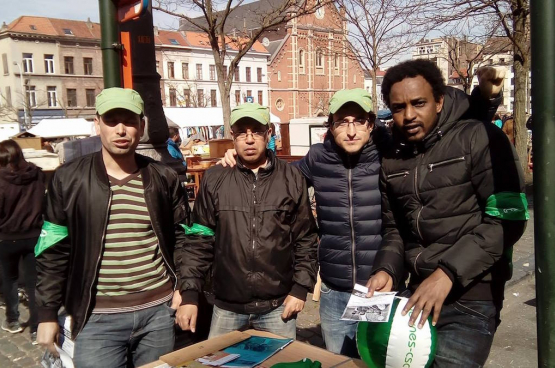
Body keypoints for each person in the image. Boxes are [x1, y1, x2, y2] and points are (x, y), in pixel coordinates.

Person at [219, 79, 502, 356]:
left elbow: (441, 132)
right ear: (331, 126)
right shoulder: (318, 158)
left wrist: (486, 102)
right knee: (339, 360)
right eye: (343, 122)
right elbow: (279, 180)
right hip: (334, 289)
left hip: (378, 286)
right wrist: (242, 160)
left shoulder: (390, 154)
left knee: (378, 358)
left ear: (371, 123)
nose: (351, 131)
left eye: (359, 121)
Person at [367, 59, 527, 367]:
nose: (409, 114)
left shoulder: (480, 137)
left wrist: (448, 273)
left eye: (419, 103)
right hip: (417, 296)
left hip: (471, 298)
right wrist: (386, 269)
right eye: (399, 107)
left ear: (439, 101)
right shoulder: (392, 159)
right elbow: (394, 230)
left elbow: (508, 218)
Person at [35, 88, 190, 368]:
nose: (121, 130)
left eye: (129, 121)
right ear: (97, 124)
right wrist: (46, 313)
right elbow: (52, 251)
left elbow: (184, 238)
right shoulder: (69, 179)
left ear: (141, 126)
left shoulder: (162, 178)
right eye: (111, 121)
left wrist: (185, 288)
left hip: (157, 313)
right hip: (96, 317)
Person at [174, 103, 318, 339]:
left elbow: (305, 238)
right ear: (233, 136)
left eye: (257, 131)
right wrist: (189, 293)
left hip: (278, 306)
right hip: (227, 307)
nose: (249, 139)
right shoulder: (215, 178)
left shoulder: (291, 177)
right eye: (242, 132)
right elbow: (198, 240)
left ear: (268, 133)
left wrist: (301, 289)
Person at [0, 139, 45, 343]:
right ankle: (36, 328)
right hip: (34, 235)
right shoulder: (37, 174)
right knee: (34, 282)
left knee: (9, 279)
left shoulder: (1, 179)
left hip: (7, 238)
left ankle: (13, 320)